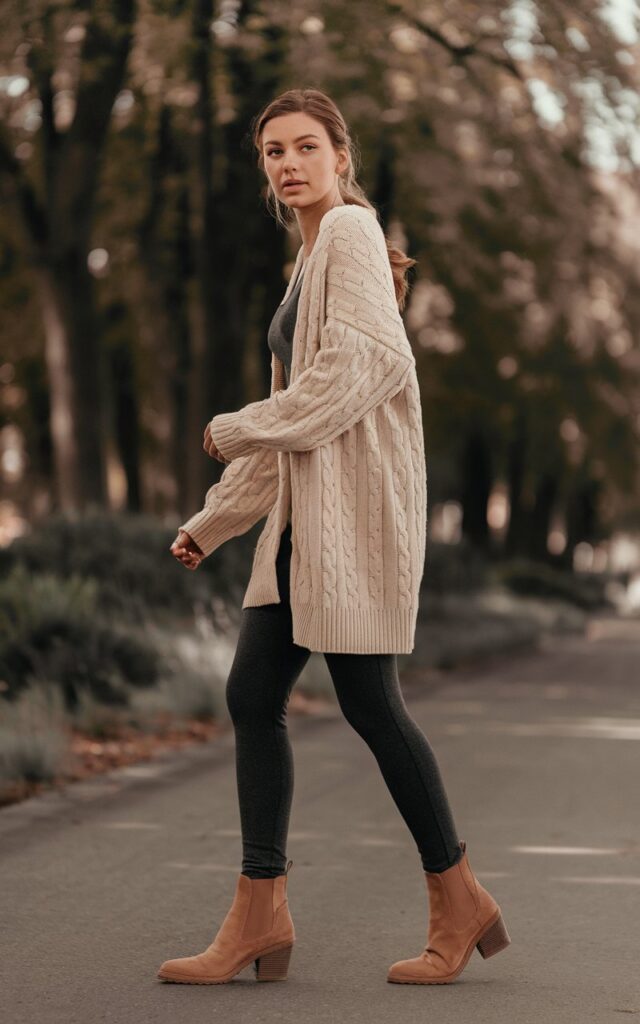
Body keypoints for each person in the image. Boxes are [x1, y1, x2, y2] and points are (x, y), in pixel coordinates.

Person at [158, 88, 510, 987]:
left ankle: (459, 900)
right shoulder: (307, 264)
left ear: (339, 155)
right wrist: (215, 520)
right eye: (273, 152)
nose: (288, 164)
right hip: (298, 529)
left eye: (305, 146)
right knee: (252, 697)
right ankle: (260, 913)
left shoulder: (349, 233)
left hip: (352, 520)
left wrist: (237, 423)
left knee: (370, 705)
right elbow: (293, 431)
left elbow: (360, 371)